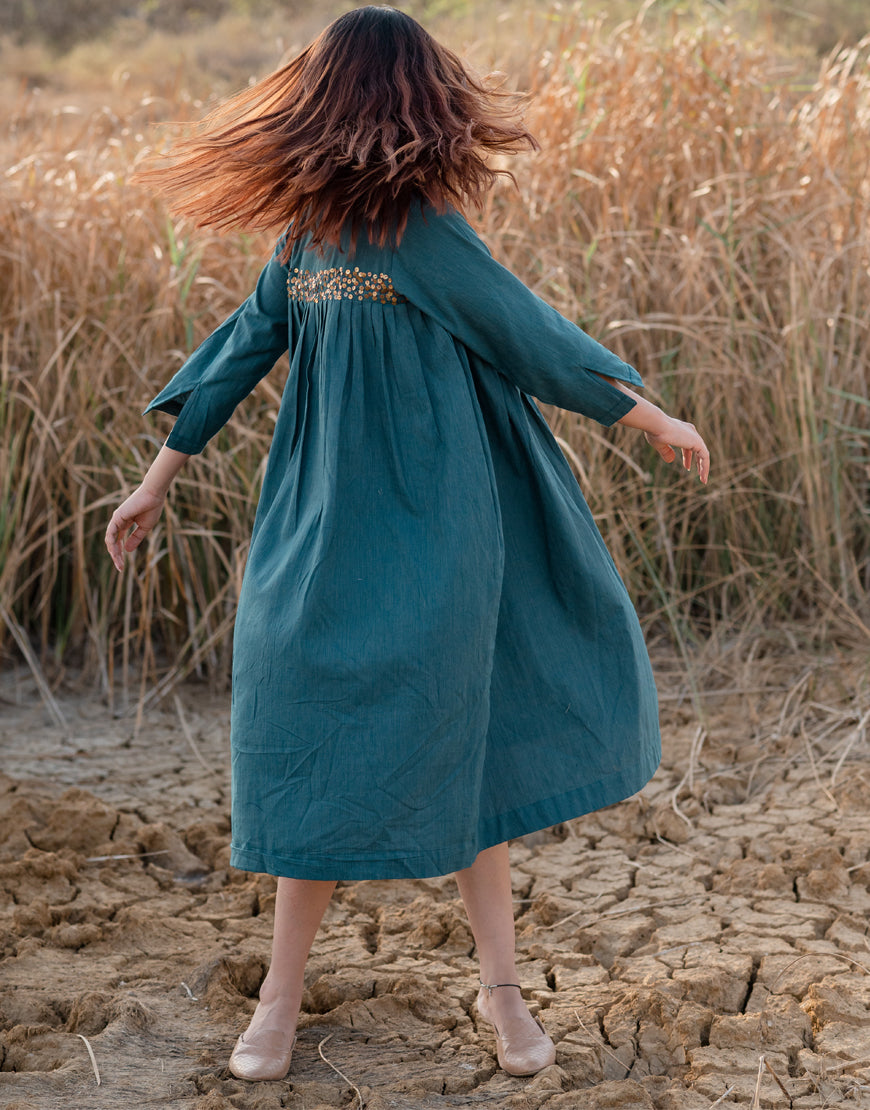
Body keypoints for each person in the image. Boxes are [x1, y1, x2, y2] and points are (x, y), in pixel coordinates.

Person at [105, 5, 710, 1084]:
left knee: (462, 740)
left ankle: (503, 994)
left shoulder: (425, 235)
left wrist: (644, 413)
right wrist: (156, 481)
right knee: (302, 734)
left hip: (440, 528)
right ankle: (280, 1001)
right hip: (322, 526)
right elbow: (237, 350)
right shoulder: (301, 243)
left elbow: (532, 336)